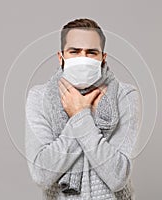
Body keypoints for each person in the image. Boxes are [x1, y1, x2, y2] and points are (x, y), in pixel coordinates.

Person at [25, 18, 141, 200]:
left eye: (91, 52)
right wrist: (83, 115)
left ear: (103, 57)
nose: (83, 58)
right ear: (61, 56)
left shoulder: (125, 96)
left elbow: (118, 177)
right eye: (75, 51)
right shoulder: (40, 97)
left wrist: (79, 114)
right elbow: (41, 174)